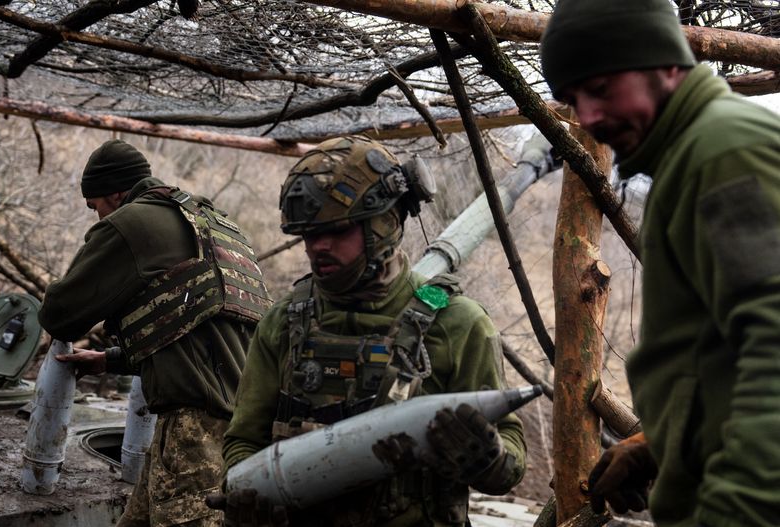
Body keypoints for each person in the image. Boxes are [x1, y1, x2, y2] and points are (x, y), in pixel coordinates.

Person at [540, 1, 780, 526]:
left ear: (665, 63)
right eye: (574, 99)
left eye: (600, 89)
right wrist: (658, 446)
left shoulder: (721, 152)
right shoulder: (691, 157)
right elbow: (721, 360)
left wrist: (739, 511)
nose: (589, 117)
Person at [215, 136, 527, 526]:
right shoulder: (283, 321)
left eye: (337, 230)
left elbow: (510, 462)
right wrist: (248, 488)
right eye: (309, 234)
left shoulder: (458, 324)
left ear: (385, 222)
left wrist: (488, 458)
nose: (318, 247)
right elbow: (244, 437)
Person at [38, 139, 273, 526]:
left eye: (94, 206)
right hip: (244, 420)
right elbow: (199, 329)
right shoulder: (215, 222)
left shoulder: (131, 224)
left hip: (195, 429)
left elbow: (61, 315)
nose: (97, 217)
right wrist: (111, 359)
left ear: (115, 193)